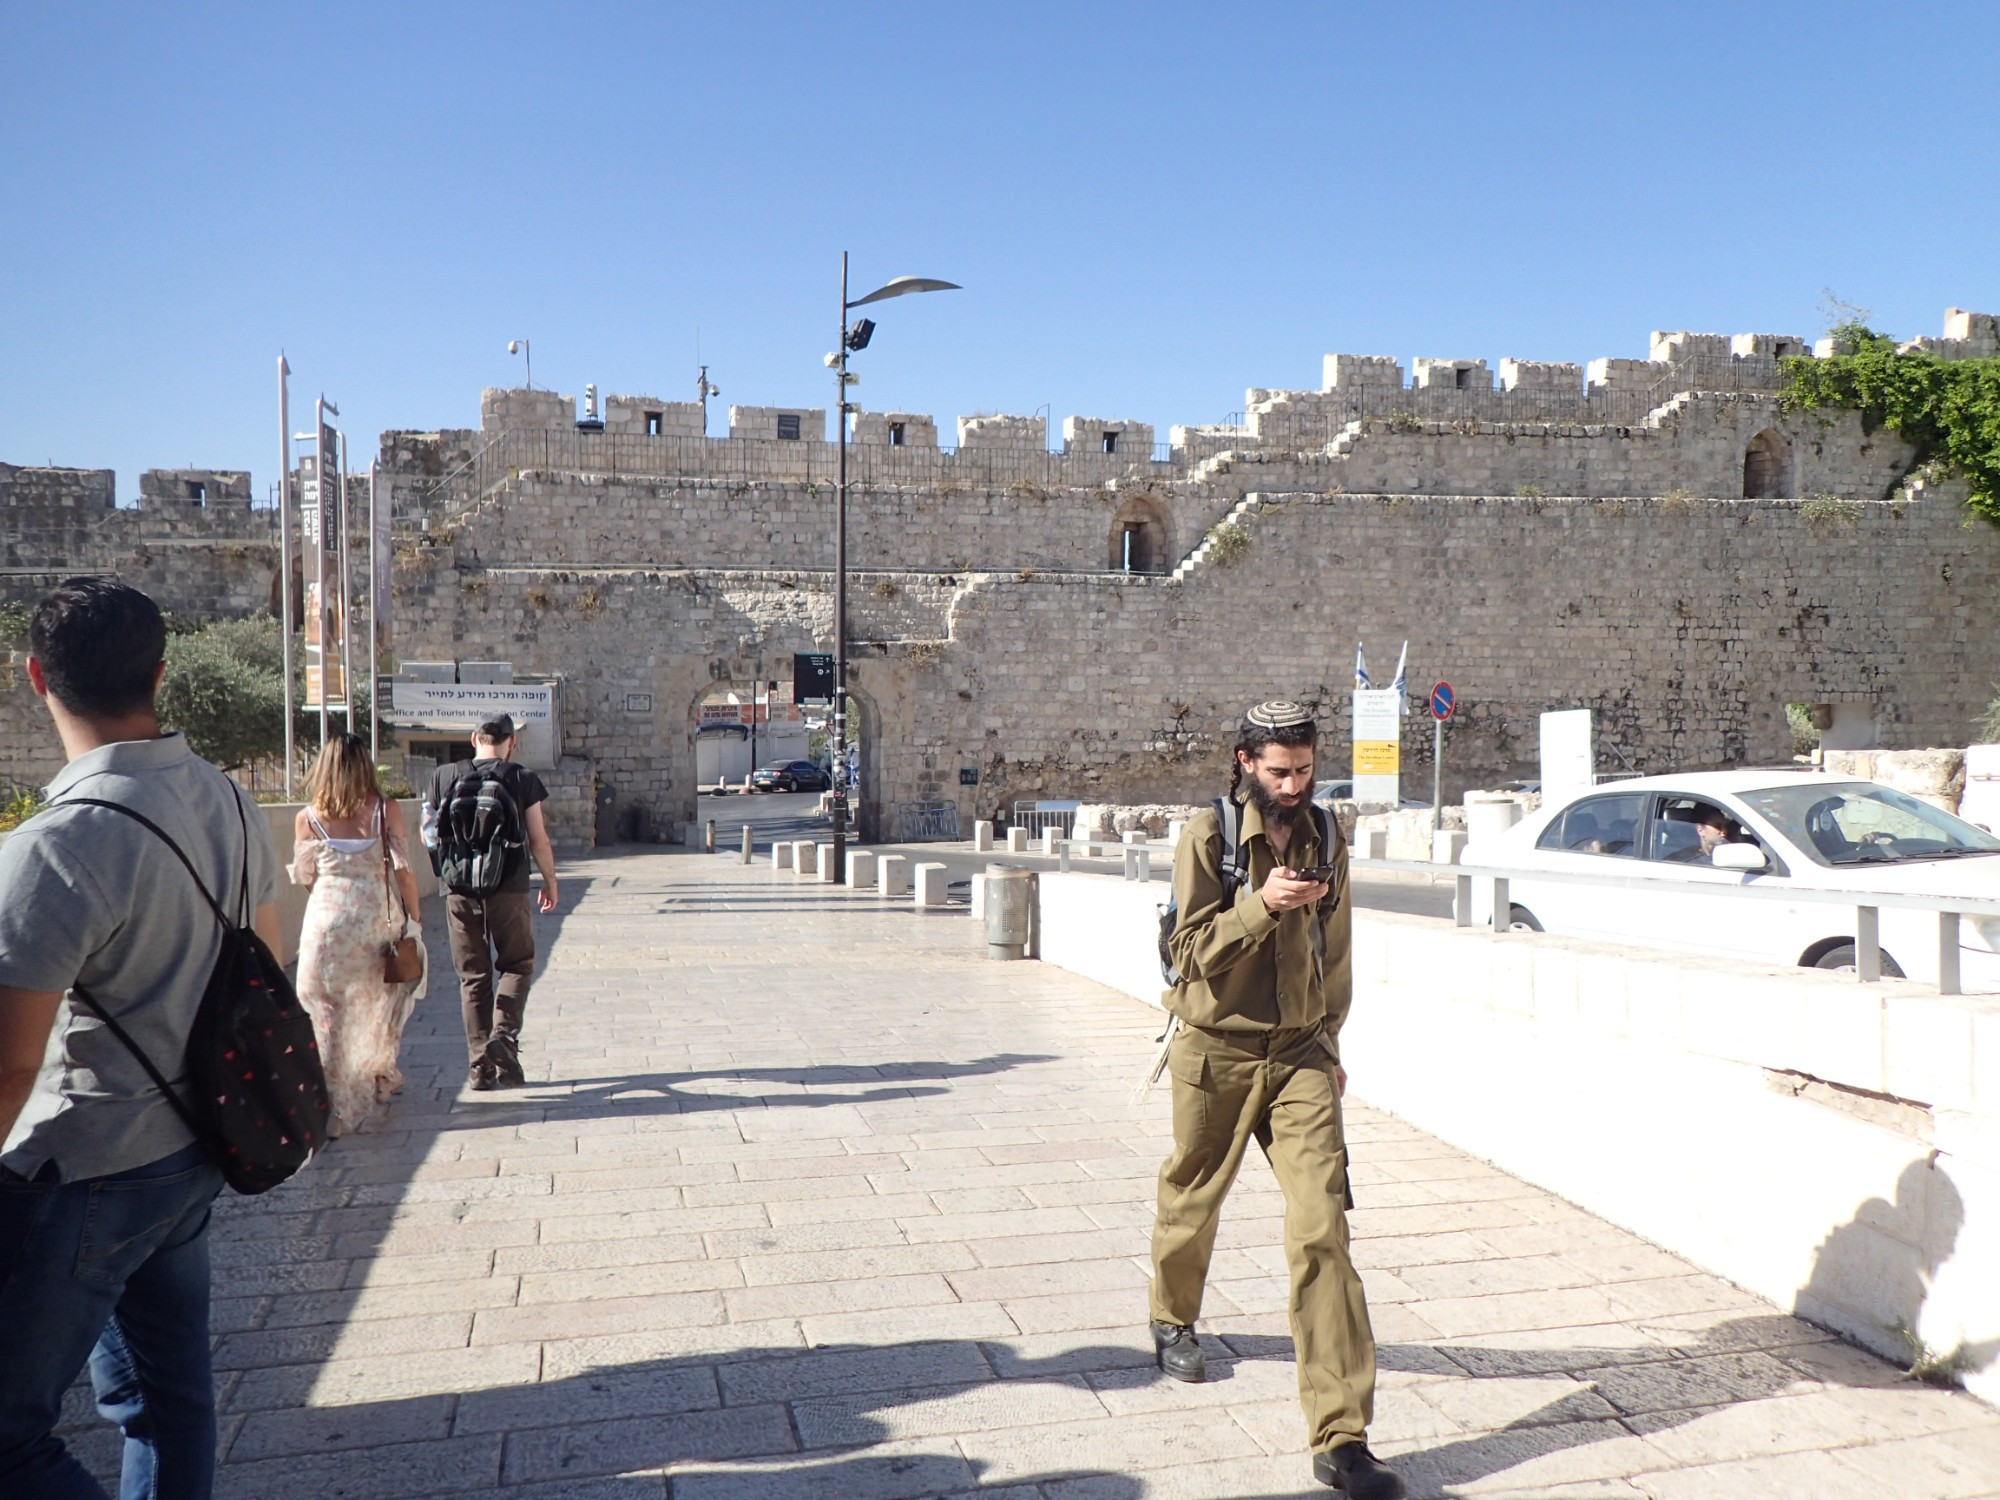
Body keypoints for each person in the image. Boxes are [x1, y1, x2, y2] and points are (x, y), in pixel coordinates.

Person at [0, 577, 282, 1499]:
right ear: (162, 673)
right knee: (170, 1405)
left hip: (82, 1169)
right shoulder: (233, 804)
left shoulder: (53, 846)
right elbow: (264, 968)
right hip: (195, 1147)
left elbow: (11, 1064)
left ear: (35, 674)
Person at [1149, 700, 1404, 1498]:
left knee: (1323, 1227)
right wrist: (1264, 906)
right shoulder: (1209, 836)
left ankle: (1342, 1438)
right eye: (1278, 771)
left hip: (1298, 1055)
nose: (1293, 786)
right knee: (1194, 1192)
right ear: (1245, 763)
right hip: (1215, 1049)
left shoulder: (1328, 834)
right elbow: (1188, 954)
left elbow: (1338, 948)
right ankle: (1172, 1316)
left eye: (1304, 771)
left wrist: (1330, 1044)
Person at [291, 734, 425, 1136]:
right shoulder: (386, 811)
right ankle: (377, 1078)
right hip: (375, 923)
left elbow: (305, 877)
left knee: (326, 1011)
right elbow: (403, 870)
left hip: (326, 923)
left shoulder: (307, 817)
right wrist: (414, 917)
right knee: (378, 1006)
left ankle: (334, 1104)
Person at [422, 715, 558, 1091]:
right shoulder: (520, 778)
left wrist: (448, 875)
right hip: (509, 886)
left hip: (459, 890)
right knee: (517, 964)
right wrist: (549, 879)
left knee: (473, 977)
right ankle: (504, 1034)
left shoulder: (442, 777)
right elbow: (538, 839)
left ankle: (480, 1067)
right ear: (511, 742)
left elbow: (429, 834)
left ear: (473, 739)